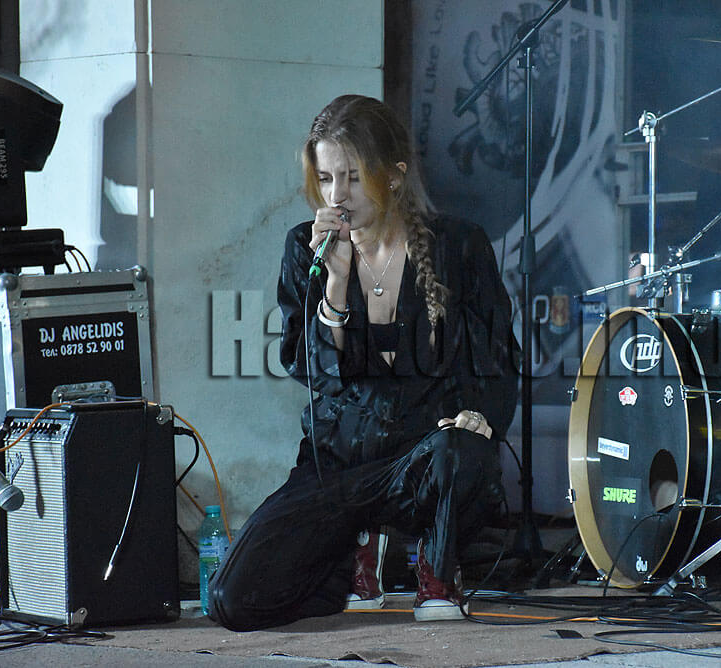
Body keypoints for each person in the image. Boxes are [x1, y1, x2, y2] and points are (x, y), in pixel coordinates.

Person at [207, 95, 519, 631]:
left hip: (423, 460)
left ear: (393, 175)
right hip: (340, 461)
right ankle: (353, 553)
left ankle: (437, 566)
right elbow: (311, 369)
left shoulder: (458, 245)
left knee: (463, 451)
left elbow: (498, 358)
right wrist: (334, 281)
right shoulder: (305, 248)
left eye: (352, 178)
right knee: (232, 600)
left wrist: (480, 417)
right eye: (326, 179)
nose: (337, 195)